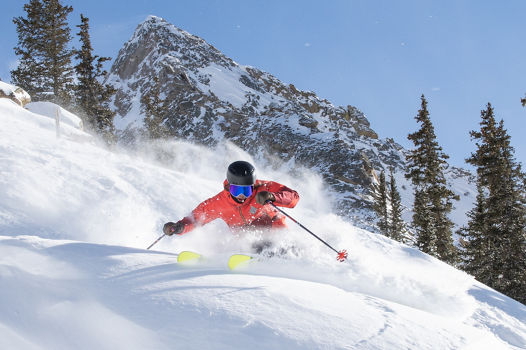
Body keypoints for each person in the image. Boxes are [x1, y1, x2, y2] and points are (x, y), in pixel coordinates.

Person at [163, 161, 299, 238]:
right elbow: (196, 218)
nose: (242, 195)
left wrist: (273, 197)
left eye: (247, 190)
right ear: (229, 187)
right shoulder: (218, 203)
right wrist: (179, 227)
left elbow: (293, 197)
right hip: (245, 238)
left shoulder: (264, 188)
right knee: (239, 238)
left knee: (276, 238)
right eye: (237, 190)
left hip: (275, 232)